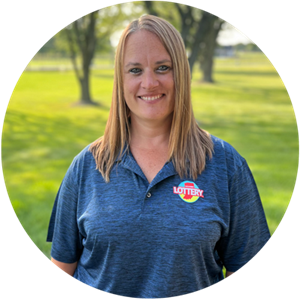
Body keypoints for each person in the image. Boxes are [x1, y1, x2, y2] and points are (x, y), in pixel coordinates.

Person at [47, 15, 271, 298]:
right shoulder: (87, 166)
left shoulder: (226, 165)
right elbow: (63, 264)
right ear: (120, 79)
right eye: (135, 70)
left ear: (181, 74)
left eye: (163, 68)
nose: (149, 82)